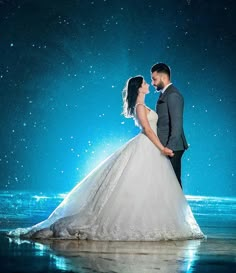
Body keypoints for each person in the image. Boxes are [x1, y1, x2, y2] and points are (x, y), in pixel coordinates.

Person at [8, 76, 204, 241]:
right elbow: (147, 130)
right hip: (148, 145)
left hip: (150, 147)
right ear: (139, 88)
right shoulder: (139, 107)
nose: (148, 84)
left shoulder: (143, 105)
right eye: (145, 82)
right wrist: (162, 148)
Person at [151, 63, 188, 188]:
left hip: (173, 147)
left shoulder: (173, 95)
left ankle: (177, 207)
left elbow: (177, 124)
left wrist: (169, 147)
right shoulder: (165, 94)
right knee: (168, 182)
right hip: (167, 145)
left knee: (173, 184)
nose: (153, 83)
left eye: (154, 79)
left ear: (163, 78)